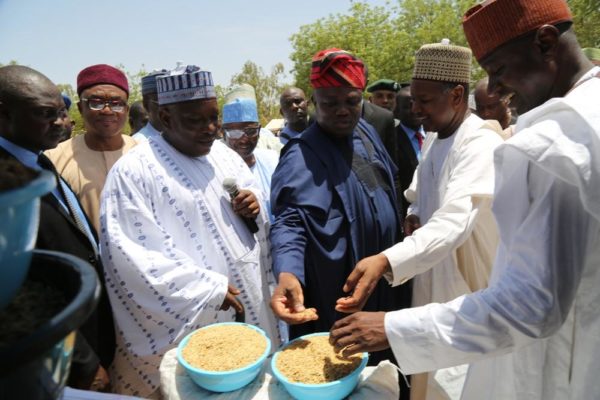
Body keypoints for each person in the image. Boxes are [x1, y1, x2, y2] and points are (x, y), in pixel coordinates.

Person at [330, 1, 600, 399]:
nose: (493, 89)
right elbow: (424, 190)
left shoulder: (553, 139)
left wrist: (392, 316)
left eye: (499, 70)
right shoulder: (440, 139)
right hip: (468, 303)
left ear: (545, 42)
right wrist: (416, 211)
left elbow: (527, 301)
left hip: (527, 333)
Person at [333, 40, 503, 399]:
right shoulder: (435, 137)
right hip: (429, 277)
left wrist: (386, 259)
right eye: (413, 100)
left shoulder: (479, 144)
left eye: (425, 101)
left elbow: (455, 220)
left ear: (457, 95)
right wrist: (413, 215)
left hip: (466, 288)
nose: (415, 109)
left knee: (464, 381)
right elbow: (417, 193)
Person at [100, 64, 281, 398]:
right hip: (195, 313)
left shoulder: (225, 156)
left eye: (214, 118)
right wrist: (206, 288)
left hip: (251, 303)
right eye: (196, 121)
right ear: (166, 118)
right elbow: (131, 258)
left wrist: (251, 209)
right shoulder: (134, 172)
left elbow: (255, 223)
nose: (211, 129)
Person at [269, 48, 412, 397]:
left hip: (385, 280)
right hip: (338, 290)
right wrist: (287, 272)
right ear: (315, 100)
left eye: (351, 100)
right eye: (330, 103)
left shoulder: (367, 133)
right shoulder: (301, 153)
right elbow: (288, 221)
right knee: (340, 376)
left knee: (387, 376)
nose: (342, 111)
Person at [0, 65, 115, 392]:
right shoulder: (6, 185)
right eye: (46, 114)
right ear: (4, 114)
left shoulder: (37, 159)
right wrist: (83, 360)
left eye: (63, 113)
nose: (63, 123)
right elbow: (14, 290)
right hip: (58, 353)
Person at [45, 64, 137, 233]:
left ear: (126, 110)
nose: (107, 110)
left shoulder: (147, 154)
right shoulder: (52, 160)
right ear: (81, 108)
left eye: (117, 103)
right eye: (96, 103)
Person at [222, 96, 279, 220]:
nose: (244, 139)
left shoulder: (272, 160)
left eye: (251, 131)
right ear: (223, 133)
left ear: (259, 130)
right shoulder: (218, 170)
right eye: (235, 132)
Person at [390, 84, 425, 219]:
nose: (414, 110)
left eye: (416, 104)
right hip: (408, 216)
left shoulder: (435, 134)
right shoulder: (392, 140)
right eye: (407, 106)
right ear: (396, 111)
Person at [131, 69, 168, 142]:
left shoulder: (185, 139)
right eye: (161, 100)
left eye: (171, 100)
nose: (169, 107)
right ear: (146, 104)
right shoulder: (137, 143)